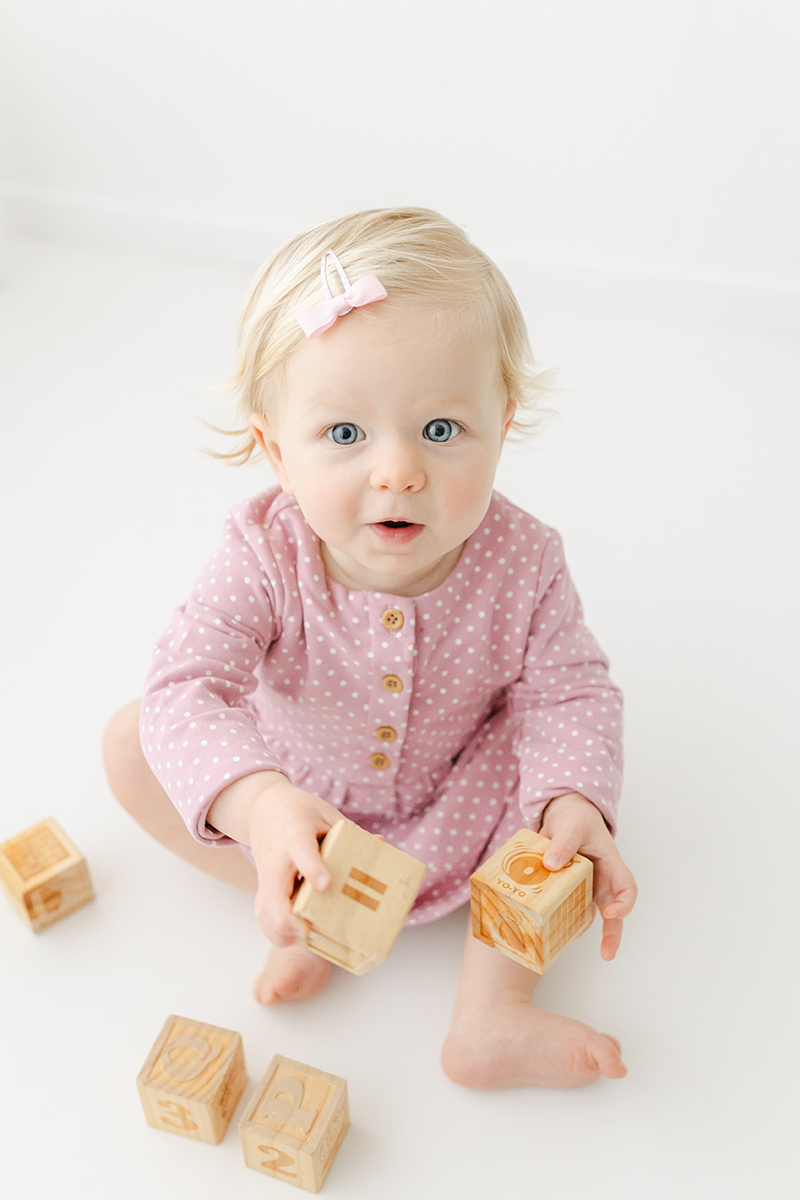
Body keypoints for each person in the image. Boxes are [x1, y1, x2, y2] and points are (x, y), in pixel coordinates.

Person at [103, 207, 637, 1090]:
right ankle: (312, 912)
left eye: (440, 430)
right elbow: (185, 687)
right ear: (276, 453)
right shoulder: (264, 555)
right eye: (345, 435)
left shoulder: (526, 560)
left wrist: (573, 800)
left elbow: (571, 694)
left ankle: (490, 1014)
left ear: (502, 425)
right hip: (303, 802)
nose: (397, 473)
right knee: (130, 745)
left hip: (463, 805)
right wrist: (260, 806)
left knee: (561, 817)